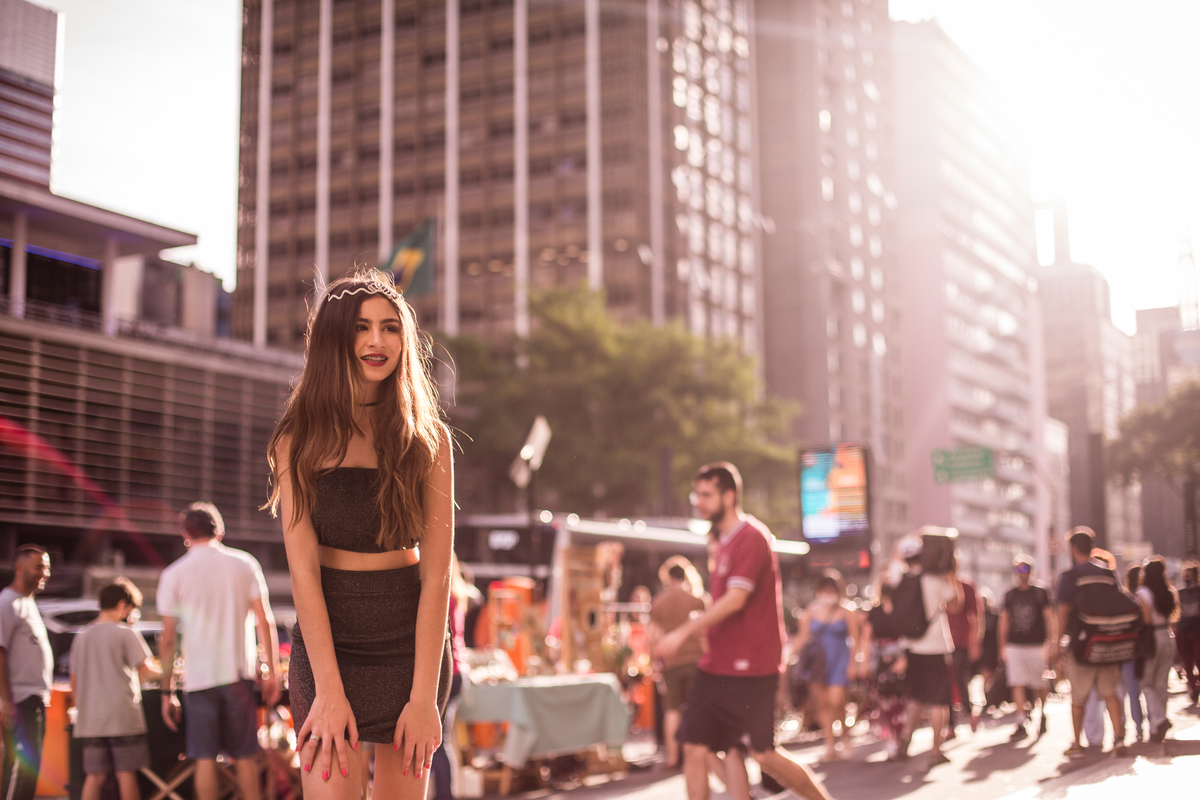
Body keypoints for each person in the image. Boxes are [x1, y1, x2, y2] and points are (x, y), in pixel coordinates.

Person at [265, 270, 454, 800]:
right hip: (328, 644)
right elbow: (303, 572)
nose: (377, 341)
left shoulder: (429, 439)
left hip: (410, 646)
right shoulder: (298, 438)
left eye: (390, 327)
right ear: (334, 337)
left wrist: (424, 698)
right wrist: (328, 689)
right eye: (361, 327)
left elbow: (438, 577)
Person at [656, 462, 832, 800]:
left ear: (728, 496)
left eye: (706, 495)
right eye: (696, 495)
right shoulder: (722, 542)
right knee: (697, 746)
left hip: (752, 667)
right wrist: (706, 629)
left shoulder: (752, 536)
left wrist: (684, 631)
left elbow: (737, 599)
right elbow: (726, 604)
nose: (699, 502)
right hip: (716, 665)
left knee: (763, 754)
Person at [158, 502, 282, 800]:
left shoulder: (174, 573)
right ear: (220, 530)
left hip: (198, 679)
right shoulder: (245, 563)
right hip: (238, 676)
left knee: (204, 758)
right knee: (245, 756)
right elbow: (264, 621)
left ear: (185, 534)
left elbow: (167, 639)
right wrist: (273, 674)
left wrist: (166, 691)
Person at [69, 578, 161, 800]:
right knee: (126, 774)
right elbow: (147, 672)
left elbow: (74, 680)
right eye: (132, 610)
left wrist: (81, 710)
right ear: (122, 605)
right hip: (123, 717)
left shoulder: (82, 635)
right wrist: (174, 671)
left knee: (95, 776)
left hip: (91, 720)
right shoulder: (125, 633)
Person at [1056, 529, 1125, 756]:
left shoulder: (1070, 576)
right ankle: (1119, 738)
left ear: (1073, 549)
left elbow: (1063, 610)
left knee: (1078, 697)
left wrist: (1056, 643)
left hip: (1081, 645)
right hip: (1108, 643)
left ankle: (1077, 743)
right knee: (1110, 692)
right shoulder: (1109, 573)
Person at [899, 530, 961, 769]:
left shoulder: (904, 580)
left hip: (913, 648)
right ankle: (935, 750)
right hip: (936, 648)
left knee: (916, 697)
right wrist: (952, 575)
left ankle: (906, 737)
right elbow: (955, 605)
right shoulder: (935, 580)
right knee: (939, 702)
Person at [791, 570, 863, 762]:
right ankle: (830, 745)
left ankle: (844, 736)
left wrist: (854, 664)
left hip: (840, 659)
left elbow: (855, 639)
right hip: (818, 663)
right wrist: (790, 656)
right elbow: (803, 636)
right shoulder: (812, 610)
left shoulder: (847, 610)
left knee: (837, 701)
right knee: (822, 704)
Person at [0, 545, 53, 800]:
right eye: (39, 567)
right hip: (19, 700)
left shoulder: (27, 603)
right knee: (21, 768)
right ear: (20, 567)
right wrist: (6, 700)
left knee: (28, 769)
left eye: (47, 567)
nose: (46, 573)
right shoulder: (7, 602)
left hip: (32, 699)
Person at [647, 557, 706, 769]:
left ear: (669, 577)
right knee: (696, 709)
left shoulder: (659, 602)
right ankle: (698, 755)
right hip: (696, 660)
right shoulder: (697, 600)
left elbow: (653, 637)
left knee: (672, 709)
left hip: (671, 662)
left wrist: (654, 662)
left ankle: (673, 757)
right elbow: (705, 633)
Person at [998, 555, 1054, 740]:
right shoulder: (1010, 594)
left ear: (1032, 572)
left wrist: (1052, 643)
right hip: (1015, 645)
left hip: (1036, 645)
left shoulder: (1040, 592)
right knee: (1017, 682)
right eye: (1018, 570)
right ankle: (1021, 720)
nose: (1022, 574)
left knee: (1039, 683)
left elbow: (1049, 618)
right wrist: (1002, 646)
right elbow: (1004, 621)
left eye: (1025, 569)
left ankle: (1042, 713)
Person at [431, 555, 473, 800]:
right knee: (442, 740)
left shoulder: (443, 593)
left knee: (437, 742)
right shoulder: (459, 592)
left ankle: (445, 795)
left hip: (446, 671)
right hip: (459, 669)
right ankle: (445, 794)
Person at [1137, 557, 1178, 743]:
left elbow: (1146, 619)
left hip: (1151, 638)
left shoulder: (1143, 592)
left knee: (1146, 683)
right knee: (1161, 683)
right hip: (1167, 635)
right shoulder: (1168, 591)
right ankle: (1156, 728)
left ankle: (1159, 720)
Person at [946, 554, 982, 737]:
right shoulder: (939, 587)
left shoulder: (966, 586)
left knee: (959, 677)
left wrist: (975, 642)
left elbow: (976, 617)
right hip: (942, 643)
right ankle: (950, 725)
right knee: (946, 681)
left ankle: (968, 713)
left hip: (961, 642)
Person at [1120, 565, 1147, 742]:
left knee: (1126, 691)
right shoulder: (1138, 598)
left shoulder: (1125, 598)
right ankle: (1138, 728)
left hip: (1124, 650)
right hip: (1135, 650)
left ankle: (1126, 728)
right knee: (1134, 691)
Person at [1177, 564, 1200, 705]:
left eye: (1189, 575)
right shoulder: (1180, 592)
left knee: (1198, 657)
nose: (1187, 577)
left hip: (1198, 629)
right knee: (1187, 662)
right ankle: (1193, 688)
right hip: (1184, 629)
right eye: (1185, 575)